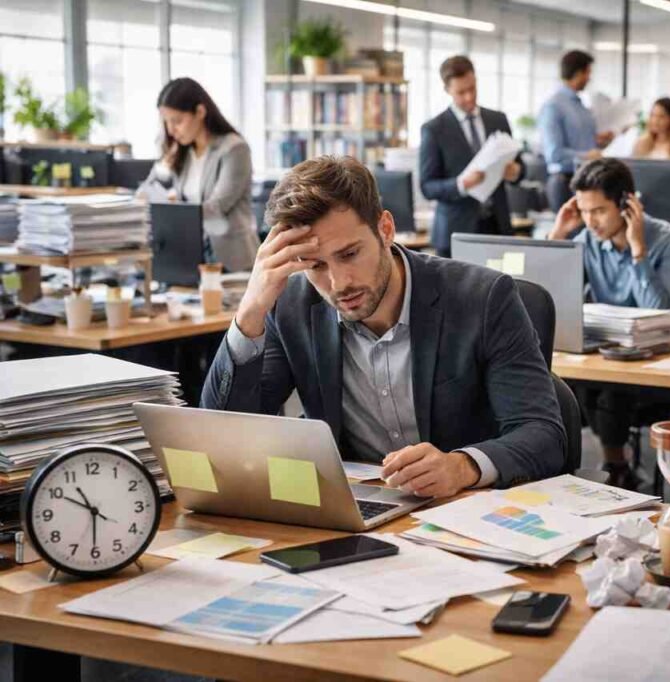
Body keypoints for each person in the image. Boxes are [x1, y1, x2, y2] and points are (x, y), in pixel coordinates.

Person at [200, 156, 566, 496]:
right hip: (356, 509)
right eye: (316, 266)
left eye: (349, 254)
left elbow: (543, 435)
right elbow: (223, 437)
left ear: (385, 229)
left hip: (465, 510)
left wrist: (462, 466)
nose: (339, 282)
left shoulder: (484, 298)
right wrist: (250, 311)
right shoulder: (291, 306)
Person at [549, 158, 670, 488]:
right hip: (603, 355)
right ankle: (607, 468)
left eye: (598, 211)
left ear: (627, 204)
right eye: (584, 211)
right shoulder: (586, 240)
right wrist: (558, 236)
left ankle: (615, 467)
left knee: (612, 391)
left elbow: (663, 311)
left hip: (654, 364)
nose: (590, 222)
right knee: (563, 382)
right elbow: (546, 296)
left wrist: (638, 252)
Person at [139, 77, 259, 272]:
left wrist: (174, 214)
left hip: (231, 260)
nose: (171, 130)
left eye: (177, 121)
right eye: (166, 122)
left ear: (200, 112)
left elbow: (217, 206)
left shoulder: (234, 149)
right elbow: (144, 193)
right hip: (192, 256)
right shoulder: (182, 153)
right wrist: (163, 166)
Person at [419, 55, 524, 258]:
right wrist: (461, 184)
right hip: (456, 231)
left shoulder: (498, 120)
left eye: (472, 89)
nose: (469, 97)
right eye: (461, 92)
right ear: (447, 90)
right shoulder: (434, 129)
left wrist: (516, 172)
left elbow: (519, 167)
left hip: (497, 227)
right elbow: (427, 186)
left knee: (504, 287)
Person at [538, 50, 615, 212]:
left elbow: (583, 142)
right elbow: (554, 154)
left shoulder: (579, 105)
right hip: (564, 183)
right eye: (588, 73)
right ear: (579, 73)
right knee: (569, 235)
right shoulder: (554, 106)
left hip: (587, 180)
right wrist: (586, 156)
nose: (589, 78)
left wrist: (599, 141)